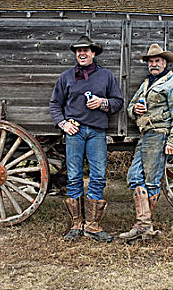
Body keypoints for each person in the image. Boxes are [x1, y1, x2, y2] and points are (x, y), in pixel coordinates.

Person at [49, 35, 123, 243]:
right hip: (75, 132)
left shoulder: (106, 76)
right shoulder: (66, 77)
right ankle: (76, 224)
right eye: (78, 50)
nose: (81, 53)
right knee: (74, 177)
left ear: (93, 53)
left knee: (98, 176)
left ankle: (93, 225)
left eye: (86, 50)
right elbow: (55, 104)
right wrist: (63, 124)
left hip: (97, 132)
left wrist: (102, 103)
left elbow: (117, 102)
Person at [119, 43, 173, 241]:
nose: (154, 64)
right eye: (151, 61)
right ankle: (145, 226)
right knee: (134, 177)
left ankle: (144, 226)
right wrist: (136, 111)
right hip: (146, 134)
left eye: (157, 61)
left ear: (165, 63)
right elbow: (131, 106)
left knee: (150, 180)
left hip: (160, 134)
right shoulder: (147, 83)